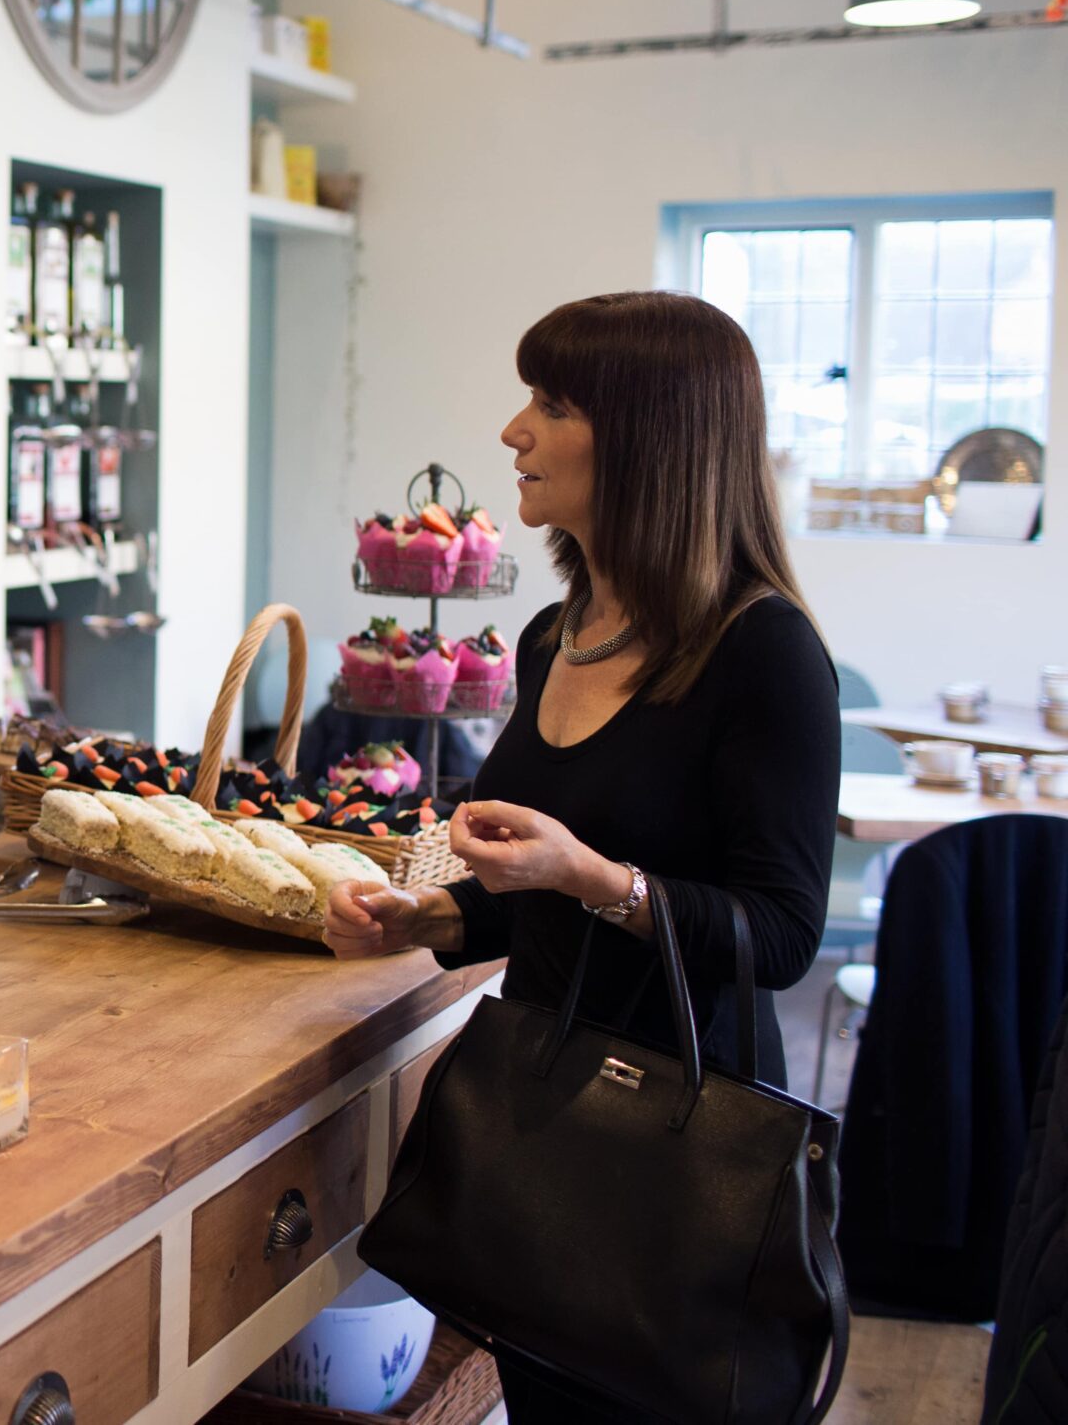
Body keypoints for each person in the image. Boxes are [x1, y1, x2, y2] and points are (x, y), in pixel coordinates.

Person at [321, 291, 839, 1423]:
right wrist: (424, 916)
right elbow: (517, 876)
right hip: (539, 1122)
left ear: (654, 439)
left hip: (674, 1148)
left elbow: (783, 939)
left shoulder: (764, 654)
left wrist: (593, 879)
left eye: (550, 405)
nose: (512, 431)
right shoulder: (557, 632)